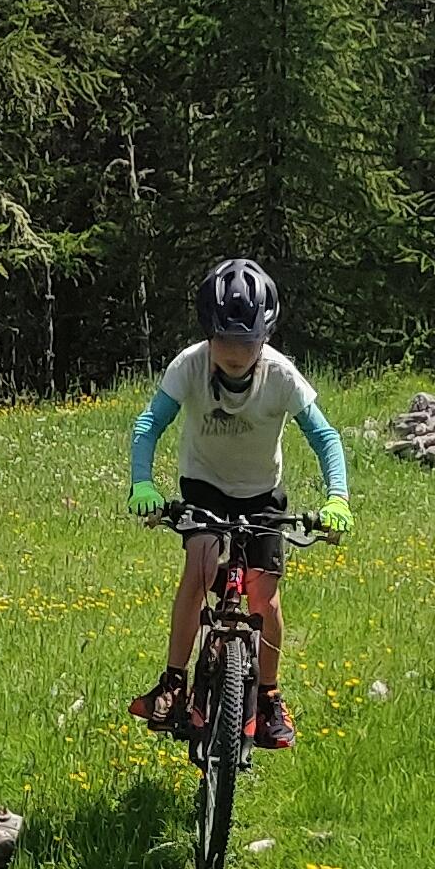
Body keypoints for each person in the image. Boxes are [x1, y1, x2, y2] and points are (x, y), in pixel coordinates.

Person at [127, 257, 350, 751]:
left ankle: (268, 696)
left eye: (247, 343)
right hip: (204, 485)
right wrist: (143, 485)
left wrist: (338, 498)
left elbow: (325, 437)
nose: (235, 353)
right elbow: (149, 425)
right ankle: (173, 681)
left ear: (265, 337)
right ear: (208, 334)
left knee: (264, 598)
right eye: (224, 341)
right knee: (200, 568)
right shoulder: (188, 366)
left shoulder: (281, 375)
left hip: (262, 493)